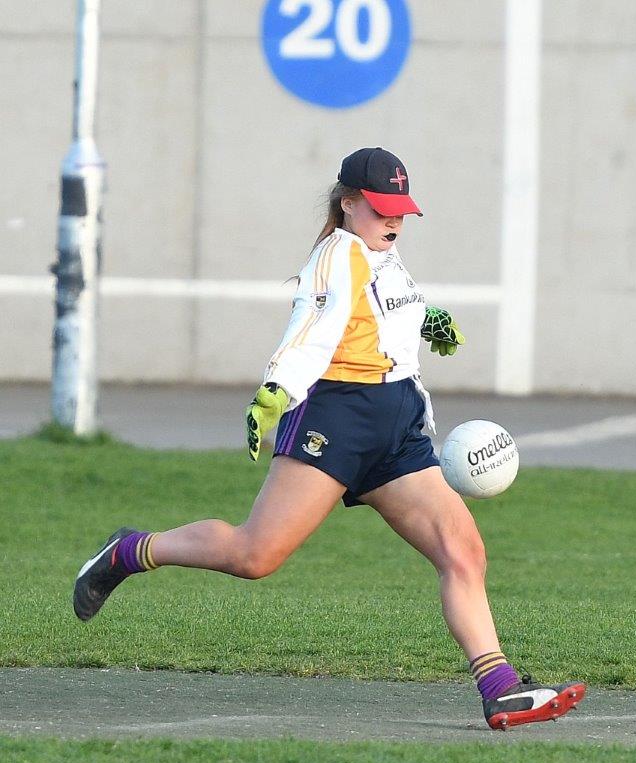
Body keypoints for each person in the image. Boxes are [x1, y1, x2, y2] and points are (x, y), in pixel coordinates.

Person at [73, 147, 585, 730]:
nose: (393, 220)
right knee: (255, 555)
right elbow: (313, 326)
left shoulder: (383, 254)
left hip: (396, 425)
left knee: (463, 552)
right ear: (348, 203)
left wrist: (428, 320)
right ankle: (129, 551)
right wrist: (274, 390)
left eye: (400, 210)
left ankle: (500, 689)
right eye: (380, 209)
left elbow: (384, 313)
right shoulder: (336, 253)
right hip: (335, 417)